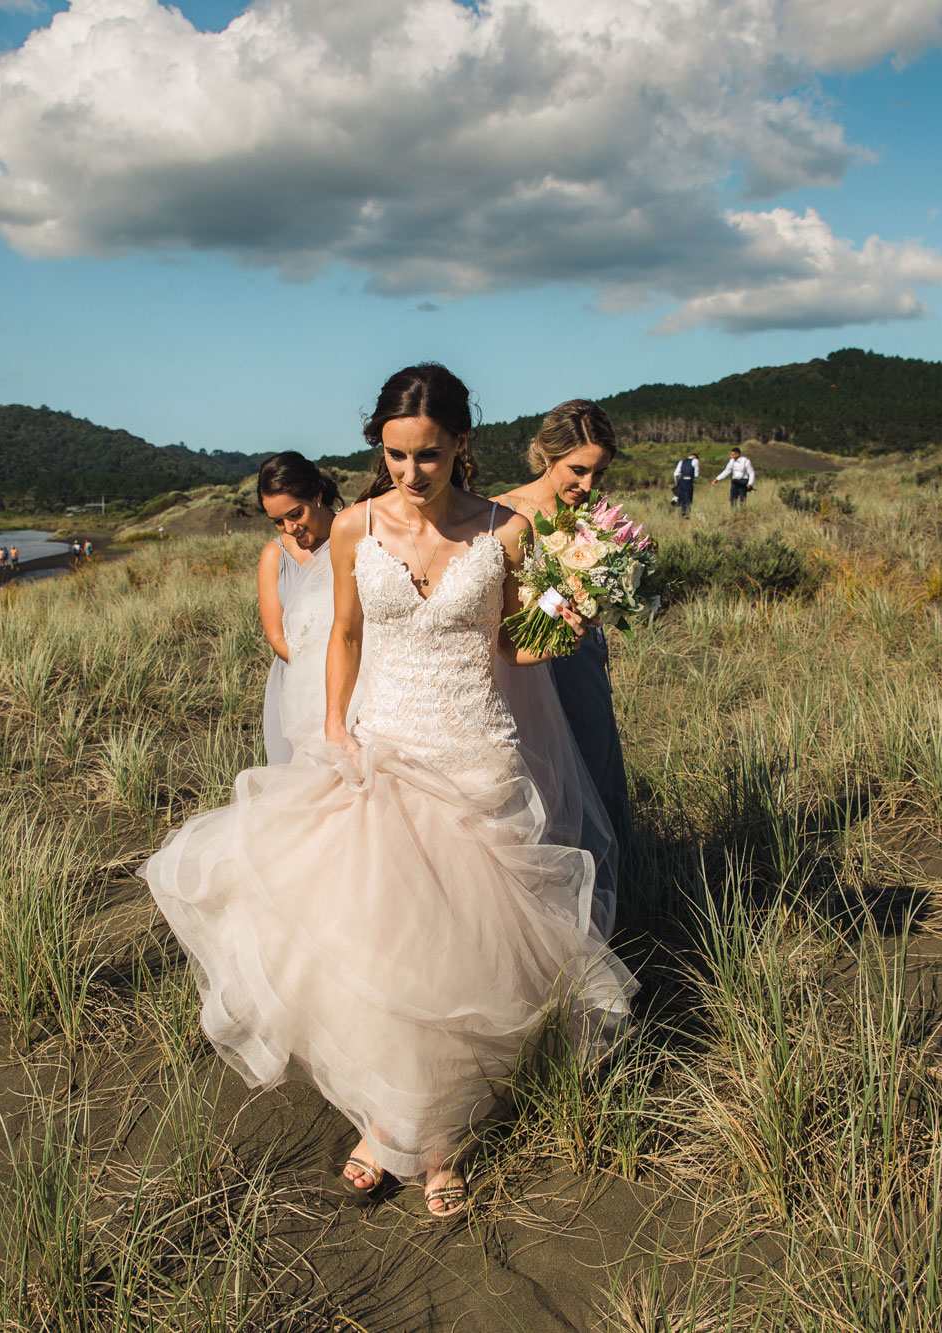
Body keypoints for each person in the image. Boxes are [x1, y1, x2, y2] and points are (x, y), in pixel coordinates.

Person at [141, 363, 633, 1222]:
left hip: (473, 749)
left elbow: (513, 650)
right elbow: (345, 632)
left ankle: (438, 1136)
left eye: (430, 456)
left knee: (459, 945)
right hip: (383, 743)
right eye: (397, 455)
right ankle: (389, 1120)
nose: (412, 473)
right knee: (379, 940)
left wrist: (566, 620)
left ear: (461, 445)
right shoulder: (355, 529)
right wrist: (334, 723)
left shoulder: (506, 531)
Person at [490, 400, 634, 934]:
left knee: (592, 767)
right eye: (578, 469)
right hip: (521, 668)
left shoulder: (596, 517)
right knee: (536, 779)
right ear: (545, 456)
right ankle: (539, 916)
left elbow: (603, 590)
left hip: (578, 661)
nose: (589, 482)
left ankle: (602, 907)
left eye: (599, 471)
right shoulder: (501, 513)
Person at [256, 452, 346, 765]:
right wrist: (316, 674)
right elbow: (277, 637)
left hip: (354, 680)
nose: (289, 527)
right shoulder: (274, 555)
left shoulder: (354, 537)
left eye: (295, 514)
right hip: (295, 685)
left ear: (316, 495)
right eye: (279, 521)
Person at [672, 452, 700, 518]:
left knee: (682, 497)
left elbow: (675, 474)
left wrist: (677, 483)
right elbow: (696, 474)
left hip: (682, 481)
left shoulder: (681, 462)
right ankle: (687, 513)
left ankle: (683, 512)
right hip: (689, 480)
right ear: (695, 457)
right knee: (688, 496)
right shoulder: (695, 461)